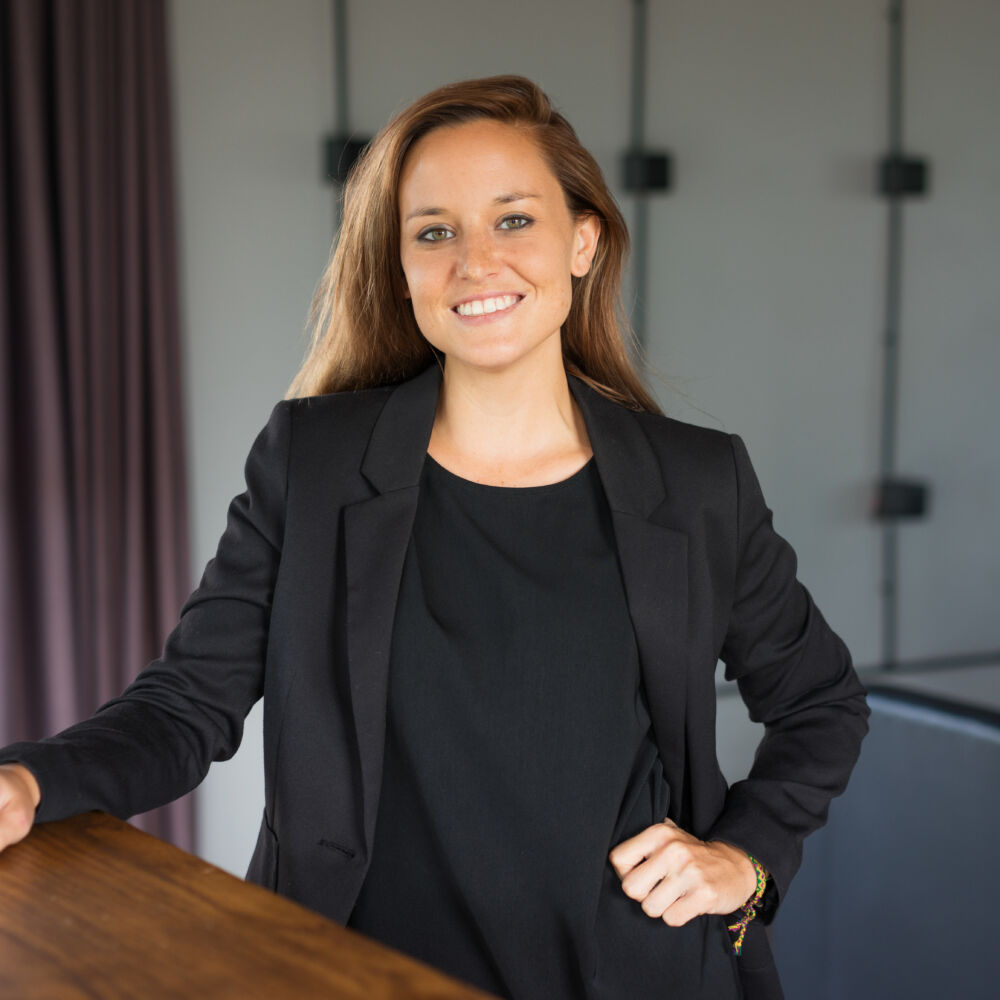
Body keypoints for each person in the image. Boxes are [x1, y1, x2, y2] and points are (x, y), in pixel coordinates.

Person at [0, 75, 868, 999]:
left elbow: (821, 701)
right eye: (434, 232)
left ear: (583, 242)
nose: (475, 262)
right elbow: (186, 706)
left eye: (514, 220)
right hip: (355, 972)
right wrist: (29, 782)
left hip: (635, 972)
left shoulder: (696, 482)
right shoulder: (312, 464)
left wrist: (746, 859)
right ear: (402, 265)